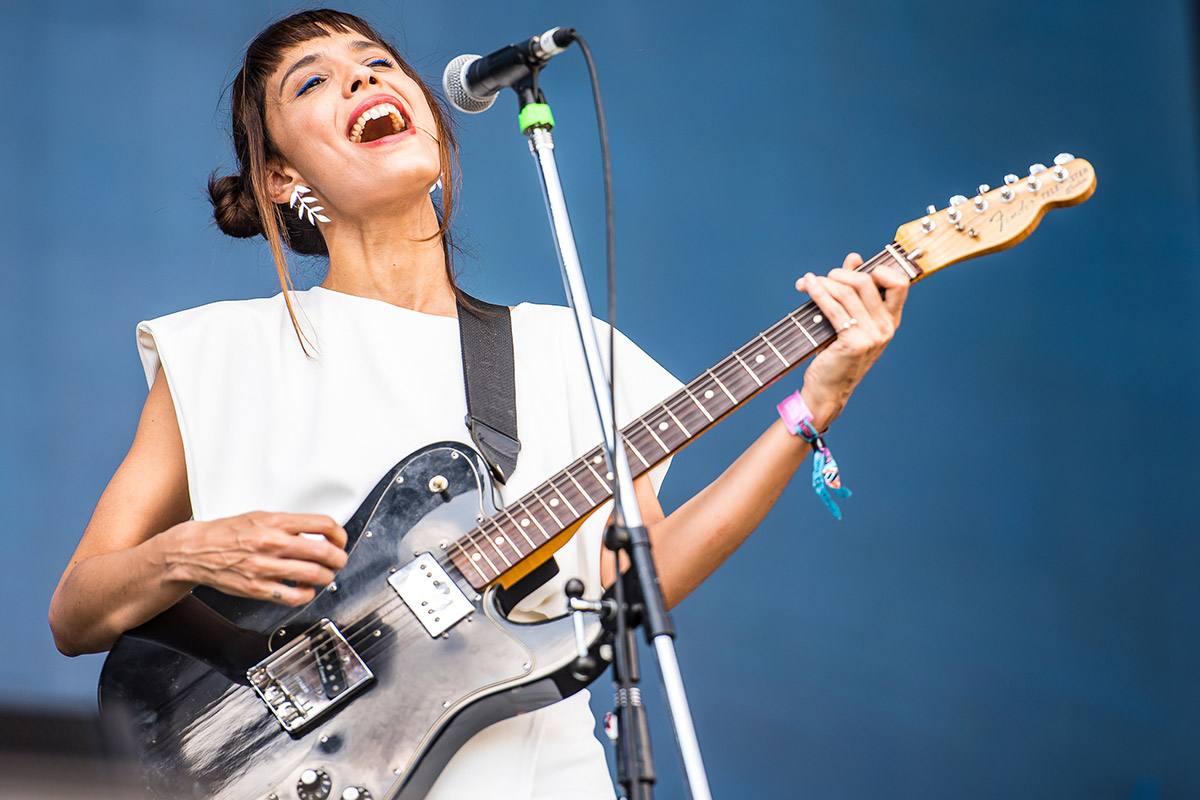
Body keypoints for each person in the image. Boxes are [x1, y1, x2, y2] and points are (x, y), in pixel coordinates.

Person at [48, 9, 909, 799]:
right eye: (313, 80)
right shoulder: (219, 351)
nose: (363, 80)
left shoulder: (564, 346)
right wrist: (192, 552)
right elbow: (77, 609)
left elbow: (633, 580)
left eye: (378, 63)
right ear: (279, 178)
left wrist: (812, 409)